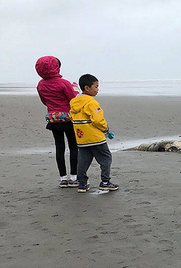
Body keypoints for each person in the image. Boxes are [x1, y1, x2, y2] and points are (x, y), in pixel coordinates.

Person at [70, 74, 119, 193]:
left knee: (83, 160)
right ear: (87, 88)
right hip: (95, 137)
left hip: (81, 137)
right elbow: (97, 120)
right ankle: (105, 182)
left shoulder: (74, 102)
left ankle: (82, 183)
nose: (98, 89)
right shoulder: (92, 103)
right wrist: (105, 129)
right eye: (96, 87)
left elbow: (71, 117)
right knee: (105, 158)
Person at [35, 56, 79, 188]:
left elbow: (44, 101)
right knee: (73, 147)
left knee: (59, 147)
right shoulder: (64, 83)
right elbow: (73, 99)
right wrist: (75, 90)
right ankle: (74, 178)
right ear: (56, 67)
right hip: (68, 118)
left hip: (53, 119)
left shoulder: (40, 85)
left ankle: (63, 178)